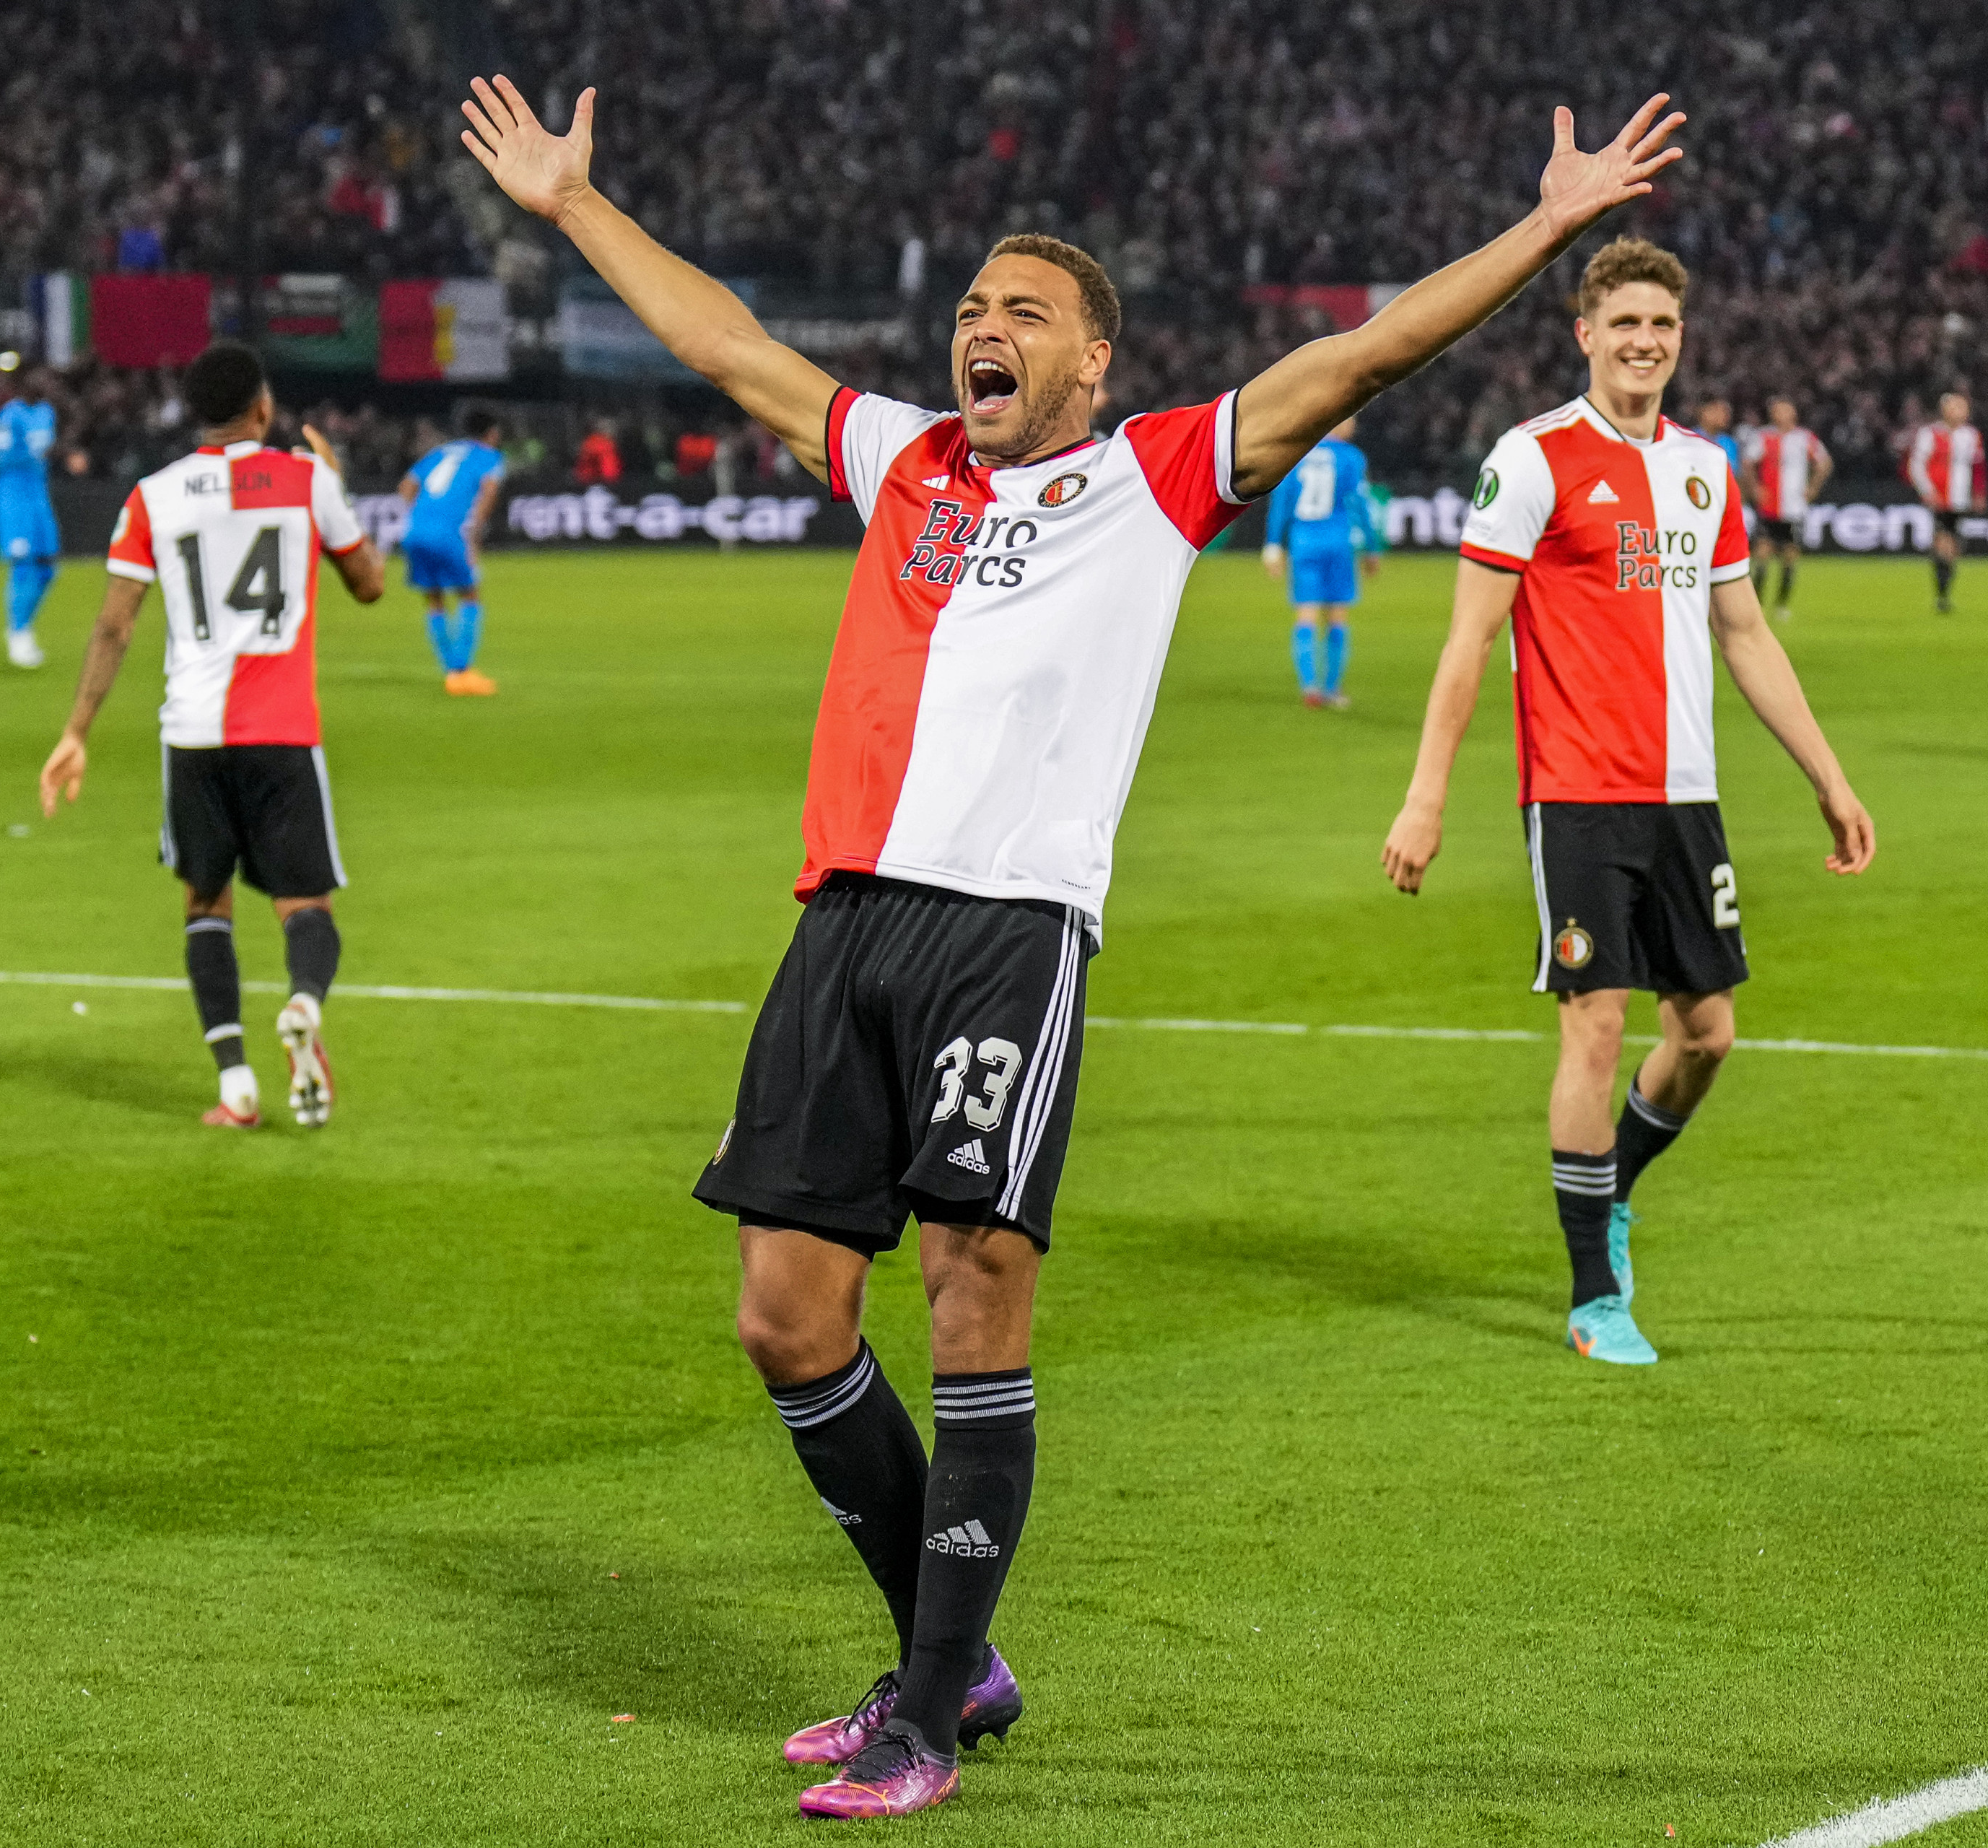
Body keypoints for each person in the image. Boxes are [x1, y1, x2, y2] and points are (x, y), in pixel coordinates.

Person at [461, 70, 1684, 1818]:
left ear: (1089, 362)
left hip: (1002, 928)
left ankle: (930, 1718)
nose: (983, 327)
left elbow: (1359, 360)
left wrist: (1551, 227)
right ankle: (947, 1648)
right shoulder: (902, 459)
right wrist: (574, 208)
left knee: (970, 1296)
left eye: (1021, 312)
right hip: (842, 921)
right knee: (784, 1315)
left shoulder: (1149, 474)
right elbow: (730, 347)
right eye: (970, 306)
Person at [1381, 237, 1875, 1368]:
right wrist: (1425, 796)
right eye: (1626, 325)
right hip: (1577, 795)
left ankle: (1611, 1188)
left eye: (1662, 325)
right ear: (1587, 336)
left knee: (1707, 1037)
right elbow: (1470, 638)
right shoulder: (1535, 457)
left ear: (1678, 339)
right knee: (1596, 1025)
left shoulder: (1705, 470)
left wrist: (1830, 778)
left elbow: (1744, 632)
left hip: (1685, 796)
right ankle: (1596, 1298)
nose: (1645, 342)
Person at [38, 344, 388, 1126]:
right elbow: (370, 585)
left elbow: (113, 625)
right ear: (262, 409)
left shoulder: (153, 496)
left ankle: (234, 1086)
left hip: (191, 733)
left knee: (206, 900)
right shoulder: (306, 480)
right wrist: (339, 488)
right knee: (305, 902)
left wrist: (76, 731)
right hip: (282, 730)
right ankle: (302, 1001)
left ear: (195, 417)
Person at [1260, 415, 1377, 710]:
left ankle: (1310, 688)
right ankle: (1333, 689)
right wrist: (1372, 548)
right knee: (1337, 616)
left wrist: (1274, 544)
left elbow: (1282, 501)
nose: (1353, 424)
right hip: (1338, 542)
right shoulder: (1351, 457)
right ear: (1338, 423)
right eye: (1350, 418)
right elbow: (1360, 504)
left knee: (1306, 615)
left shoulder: (1298, 455)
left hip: (1303, 543)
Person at [397, 409, 509, 695]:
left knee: (434, 600)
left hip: (416, 530)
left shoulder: (442, 451)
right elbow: (490, 490)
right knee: (469, 595)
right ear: (492, 433)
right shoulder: (489, 456)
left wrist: (421, 516)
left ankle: (452, 671)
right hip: (450, 533)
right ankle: (462, 672)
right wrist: (474, 532)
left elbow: (406, 485)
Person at [0, 363, 62, 668]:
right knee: (22, 564)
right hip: (13, 495)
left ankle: (25, 625)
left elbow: (48, 448)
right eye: (40, 377)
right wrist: (48, 453)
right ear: (25, 384)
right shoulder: (10, 415)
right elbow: (2, 457)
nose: (45, 383)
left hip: (38, 495)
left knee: (48, 567)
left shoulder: (47, 412)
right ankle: (17, 634)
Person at [1742, 397, 1829, 619]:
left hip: (1794, 508)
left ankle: (1781, 604)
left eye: (1784, 410)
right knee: (1761, 553)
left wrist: (1813, 488)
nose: (1779, 414)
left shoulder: (1804, 438)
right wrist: (1755, 489)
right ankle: (1756, 603)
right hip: (1769, 507)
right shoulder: (1763, 437)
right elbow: (1748, 463)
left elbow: (1824, 463)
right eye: (1777, 410)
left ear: (1793, 414)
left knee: (1790, 555)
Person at [1906, 392, 1987, 614]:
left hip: (1961, 500)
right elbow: (1916, 465)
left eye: (1964, 408)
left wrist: (1979, 493)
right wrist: (1927, 491)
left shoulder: (1971, 435)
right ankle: (1942, 597)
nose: (1963, 412)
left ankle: (1944, 590)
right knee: (1943, 543)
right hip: (1938, 499)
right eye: (1957, 408)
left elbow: (1978, 467)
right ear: (1945, 411)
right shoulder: (1929, 434)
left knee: (1954, 548)